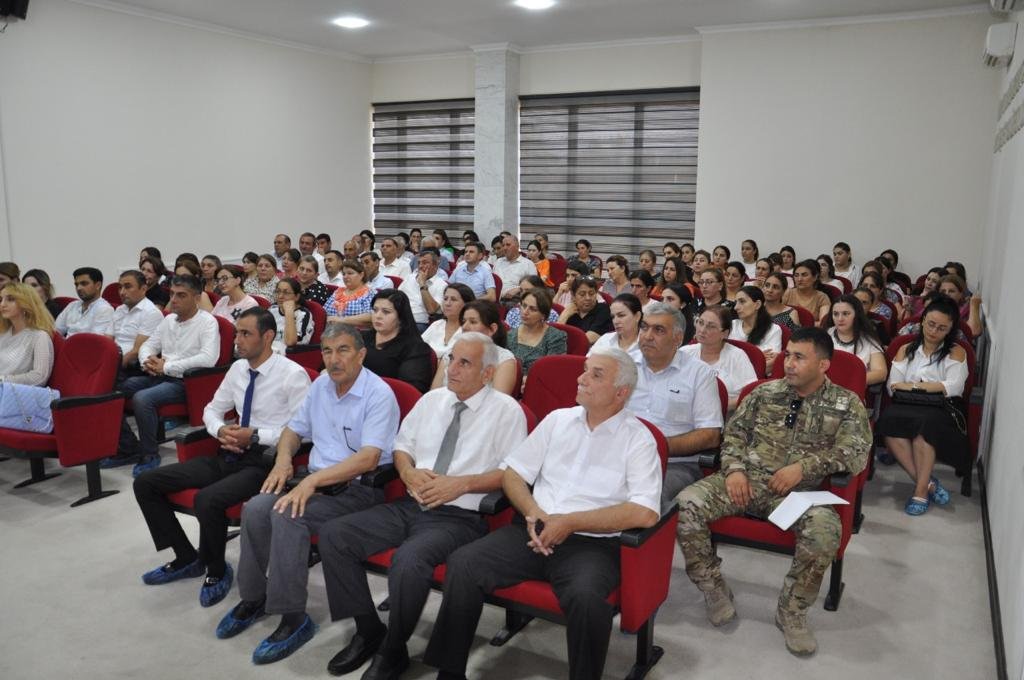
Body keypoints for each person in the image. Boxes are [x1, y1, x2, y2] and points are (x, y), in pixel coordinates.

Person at [424, 347, 662, 680]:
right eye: (585, 370)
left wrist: (570, 523)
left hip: (590, 545)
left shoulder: (638, 439)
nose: (581, 379)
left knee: (587, 598)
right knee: (465, 563)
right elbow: (513, 474)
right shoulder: (558, 420)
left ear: (621, 393)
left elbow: (645, 511)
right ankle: (449, 672)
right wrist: (533, 511)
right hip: (532, 528)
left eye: (596, 375)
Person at [316, 333, 528, 679]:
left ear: (488, 373)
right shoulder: (433, 401)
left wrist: (461, 483)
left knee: (409, 561)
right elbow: (402, 446)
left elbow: (511, 473)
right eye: (450, 359)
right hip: (411, 503)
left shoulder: (507, 411)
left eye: (464, 363)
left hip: (459, 516)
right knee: (335, 535)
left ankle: (393, 649)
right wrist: (408, 472)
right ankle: (370, 630)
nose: (452, 369)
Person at [676, 327, 871, 656]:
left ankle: (792, 611)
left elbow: (856, 453)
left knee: (824, 532)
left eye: (799, 357)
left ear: (823, 365)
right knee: (686, 504)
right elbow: (734, 435)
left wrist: (803, 468)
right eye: (787, 355)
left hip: (798, 493)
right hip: (744, 481)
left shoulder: (846, 404)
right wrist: (735, 470)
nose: (788, 363)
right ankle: (712, 586)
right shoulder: (764, 393)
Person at [215, 322, 400, 665]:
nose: (334, 360)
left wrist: (310, 483)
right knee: (256, 508)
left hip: (358, 491)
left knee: (287, 515)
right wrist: (284, 461)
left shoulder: (378, 394)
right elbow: (293, 430)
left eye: (343, 350)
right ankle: (255, 598)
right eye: (327, 352)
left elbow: (369, 457)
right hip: (311, 482)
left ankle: (293, 617)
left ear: (361, 354)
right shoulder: (321, 387)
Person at [132, 308, 311, 606]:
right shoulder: (238, 369)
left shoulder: (292, 375)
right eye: (237, 332)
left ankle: (216, 569)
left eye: (245, 334)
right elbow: (211, 410)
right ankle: (187, 557)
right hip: (229, 452)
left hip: (265, 462)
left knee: (207, 499)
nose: (237, 340)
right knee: (147, 483)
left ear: (267, 337)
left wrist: (254, 435)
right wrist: (221, 430)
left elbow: (304, 431)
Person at [104, 275, 220, 475]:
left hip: (186, 383)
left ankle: (149, 454)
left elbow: (208, 359)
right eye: (172, 294)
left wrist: (166, 367)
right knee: (111, 391)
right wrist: (147, 361)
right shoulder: (168, 320)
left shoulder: (208, 322)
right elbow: (148, 344)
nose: (174, 299)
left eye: (181, 295)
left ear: (196, 298)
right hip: (158, 374)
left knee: (142, 399)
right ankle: (129, 447)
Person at [876, 297, 968, 516]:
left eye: (942, 328)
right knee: (888, 422)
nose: (934, 331)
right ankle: (929, 482)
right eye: (931, 324)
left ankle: (920, 491)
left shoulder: (956, 351)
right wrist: (930, 386)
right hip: (907, 405)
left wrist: (913, 386)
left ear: (950, 329)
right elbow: (893, 386)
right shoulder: (906, 348)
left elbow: (953, 387)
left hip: (942, 409)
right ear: (923, 320)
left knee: (923, 430)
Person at [628, 302, 722, 505]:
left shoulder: (699, 374)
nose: (647, 335)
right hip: (619, 455)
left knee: (646, 495)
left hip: (673, 464)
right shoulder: (624, 365)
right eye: (644, 327)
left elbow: (710, 435)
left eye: (658, 330)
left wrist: (657, 446)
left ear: (677, 338)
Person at [431, 300, 518, 395]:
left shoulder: (504, 360)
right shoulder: (451, 353)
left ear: (492, 329)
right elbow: (433, 395)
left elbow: (498, 404)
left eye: (473, 322)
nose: (465, 327)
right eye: (463, 322)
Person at [683, 306, 758, 411]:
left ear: (725, 334)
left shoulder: (737, 356)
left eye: (711, 326)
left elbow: (752, 393)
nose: (702, 330)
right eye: (700, 323)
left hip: (725, 415)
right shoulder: (684, 353)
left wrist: (717, 408)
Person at [362, 289, 434, 392]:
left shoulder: (415, 348)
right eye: (375, 310)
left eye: (386, 312)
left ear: (401, 317)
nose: (377, 316)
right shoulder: (362, 337)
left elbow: (410, 391)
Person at [0, 282, 55, 386]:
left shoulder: (39, 336)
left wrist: (3, 379)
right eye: (0, 299)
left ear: (26, 303)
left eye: (10, 299)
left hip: (16, 395)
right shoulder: (3, 333)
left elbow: (39, 377)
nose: (2, 304)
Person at [826, 295, 887, 385]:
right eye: (835, 314)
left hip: (854, 392)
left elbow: (881, 373)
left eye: (846, 314)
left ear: (856, 315)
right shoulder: (824, 336)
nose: (840, 319)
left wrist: (848, 381)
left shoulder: (869, 340)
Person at [112, 270, 164, 372]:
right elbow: (108, 338)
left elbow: (136, 352)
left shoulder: (151, 313)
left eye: (127, 287)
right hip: (110, 358)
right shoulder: (119, 310)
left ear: (144, 289)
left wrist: (111, 367)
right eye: (120, 287)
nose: (122, 292)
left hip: (127, 367)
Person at [507, 289, 567, 376]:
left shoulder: (556, 337)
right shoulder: (510, 335)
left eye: (533, 309)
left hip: (539, 383)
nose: (525, 312)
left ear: (543, 315)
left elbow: (552, 370)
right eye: (524, 306)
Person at [731, 285, 783, 374]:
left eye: (742, 302)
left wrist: (735, 359)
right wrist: (757, 356)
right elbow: (721, 356)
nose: (736, 307)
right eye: (736, 302)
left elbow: (769, 366)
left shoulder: (773, 330)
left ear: (757, 305)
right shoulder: (732, 325)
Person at [54, 267, 114, 337]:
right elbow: (55, 331)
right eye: (76, 284)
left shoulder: (105, 309)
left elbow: (94, 341)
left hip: (86, 347)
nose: (79, 288)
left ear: (98, 285)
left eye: (84, 284)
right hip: (65, 346)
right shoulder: (72, 306)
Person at [397, 250, 447, 332]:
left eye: (425, 262)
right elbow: (396, 297)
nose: (420, 266)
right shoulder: (409, 278)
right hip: (399, 319)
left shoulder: (441, 285)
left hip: (419, 323)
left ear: (435, 265)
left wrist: (422, 284)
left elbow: (431, 310)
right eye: (419, 263)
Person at [421, 283, 474, 357]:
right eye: (445, 299)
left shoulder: (470, 330)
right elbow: (417, 349)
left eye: (453, 299)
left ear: (466, 304)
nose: (447, 303)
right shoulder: (437, 324)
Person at [558, 276, 613, 345]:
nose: (588, 298)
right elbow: (554, 338)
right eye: (582, 294)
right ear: (573, 296)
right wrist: (564, 316)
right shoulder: (570, 312)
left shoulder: (603, 310)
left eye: (591, 293)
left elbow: (587, 339)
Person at [589, 293, 643, 361]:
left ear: (637, 316)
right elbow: (587, 364)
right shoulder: (605, 340)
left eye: (621, 315)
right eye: (613, 317)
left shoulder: (649, 344)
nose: (615, 321)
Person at [268, 278, 314, 354]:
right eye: (278, 291)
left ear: (297, 297)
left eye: (286, 293)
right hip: (267, 352)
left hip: (290, 356)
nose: (280, 296)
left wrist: (289, 312)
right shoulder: (272, 309)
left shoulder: (303, 314)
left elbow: (290, 342)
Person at [324, 259, 374, 326]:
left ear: (361, 275)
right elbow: (323, 311)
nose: (345, 277)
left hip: (357, 333)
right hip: (331, 331)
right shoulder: (338, 292)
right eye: (344, 274)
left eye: (350, 273)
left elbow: (371, 316)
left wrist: (340, 320)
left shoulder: (368, 293)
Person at [783, 260, 830, 325]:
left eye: (804, 275)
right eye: (796, 275)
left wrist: (799, 325)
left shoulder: (822, 297)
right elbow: (776, 315)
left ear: (815, 277)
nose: (799, 279)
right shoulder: (787, 293)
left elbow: (823, 324)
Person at [494, 235, 538, 304]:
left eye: (508, 245)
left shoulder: (528, 264)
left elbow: (534, 285)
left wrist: (518, 289)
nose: (505, 248)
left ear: (517, 246)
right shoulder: (498, 262)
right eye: (503, 245)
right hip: (495, 299)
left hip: (516, 299)